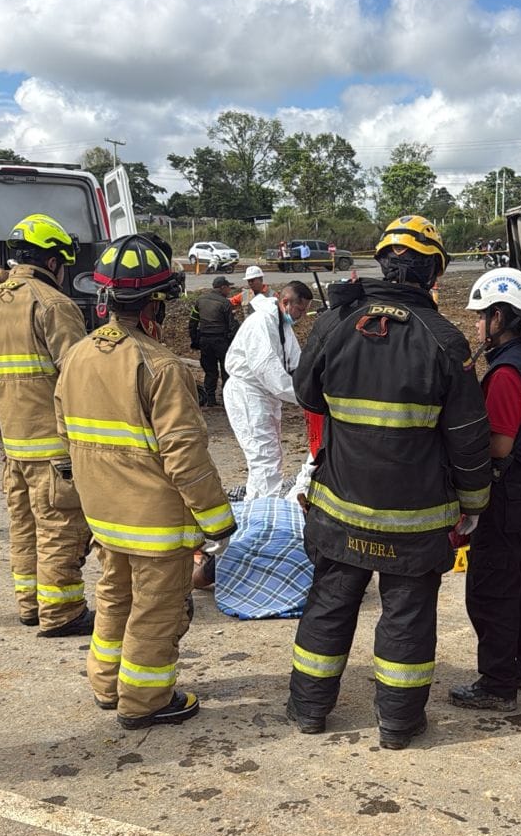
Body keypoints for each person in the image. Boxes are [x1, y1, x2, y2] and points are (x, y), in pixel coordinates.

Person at [286, 215, 491, 750]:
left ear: (381, 263)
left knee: (329, 604)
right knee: (407, 616)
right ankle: (398, 724)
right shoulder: (444, 340)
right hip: (415, 521)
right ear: (433, 275)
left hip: (340, 509)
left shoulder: (337, 322)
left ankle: (309, 710)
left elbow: (306, 396)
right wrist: (474, 503)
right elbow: (468, 437)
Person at [55, 234, 236, 728]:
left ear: (105, 299)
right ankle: (145, 701)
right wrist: (218, 520)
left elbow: (64, 433)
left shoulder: (76, 355)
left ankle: (107, 684)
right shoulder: (160, 366)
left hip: (104, 516)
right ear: (156, 303)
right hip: (155, 525)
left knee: (115, 596)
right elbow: (185, 456)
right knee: (157, 610)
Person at [0, 213, 93, 637]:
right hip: (56, 450)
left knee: (24, 527)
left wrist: (11, 426)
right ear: (53, 262)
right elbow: (79, 379)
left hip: (14, 446)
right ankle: (61, 612)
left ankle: (30, 604)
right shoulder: (53, 305)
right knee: (60, 527)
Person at [448, 268, 521, 712]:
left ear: (498, 317)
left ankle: (496, 683)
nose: (476, 325)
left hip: (505, 494)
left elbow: (499, 444)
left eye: (480, 316)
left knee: (491, 589)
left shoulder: (506, 373)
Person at [223, 280, 313, 500]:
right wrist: (305, 396)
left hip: (264, 395)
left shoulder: (282, 326)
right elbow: (267, 369)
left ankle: (257, 501)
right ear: (286, 302)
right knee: (263, 456)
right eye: (300, 310)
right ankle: (263, 506)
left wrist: (311, 381)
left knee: (269, 454)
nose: (302, 316)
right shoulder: (261, 322)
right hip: (248, 393)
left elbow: (295, 363)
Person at [190, 275, 238, 407]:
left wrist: (195, 340)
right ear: (222, 287)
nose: (229, 290)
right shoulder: (225, 303)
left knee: (210, 371)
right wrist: (233, 343)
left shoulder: (200, 300)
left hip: (205, 341)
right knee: (226, 370)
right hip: (221, 341)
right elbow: (232, 326)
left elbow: (193, 322)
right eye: (228, 288)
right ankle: (227, 399)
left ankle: (210, 398)